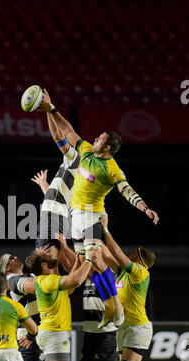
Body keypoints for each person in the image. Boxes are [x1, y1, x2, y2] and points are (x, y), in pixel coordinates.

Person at [37, 89, 159, 323]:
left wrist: (145, 208)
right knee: (88, 267)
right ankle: (106, 303)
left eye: (99, 139)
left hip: (93, 215)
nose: (94, 139)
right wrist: (51, 109)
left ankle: (114, 305)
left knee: (95, 257)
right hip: (76, 218)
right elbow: (67, 131)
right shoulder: (84, 153)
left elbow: (127, 190)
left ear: (108, 148)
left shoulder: (111, 169)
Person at [99, 215, 155, 361]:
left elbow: (119, 255)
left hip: (137, 329)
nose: (130, 253)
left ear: (139, 258)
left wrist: (106, 229)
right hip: (126, 329)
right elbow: (110, 254)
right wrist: (94, 239)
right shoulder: (124, 274)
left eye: (134, 253)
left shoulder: (141, 272)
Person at [32, 109, 80, 272]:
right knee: (48, 263)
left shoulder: (76, 159)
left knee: (47, 263)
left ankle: (67, 288)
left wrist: (48, 111)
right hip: (52, 216)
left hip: (52, 219)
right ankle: (66, 289)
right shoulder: (73, 163)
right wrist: (44, 185)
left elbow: (59, 136)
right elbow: (57, 199)